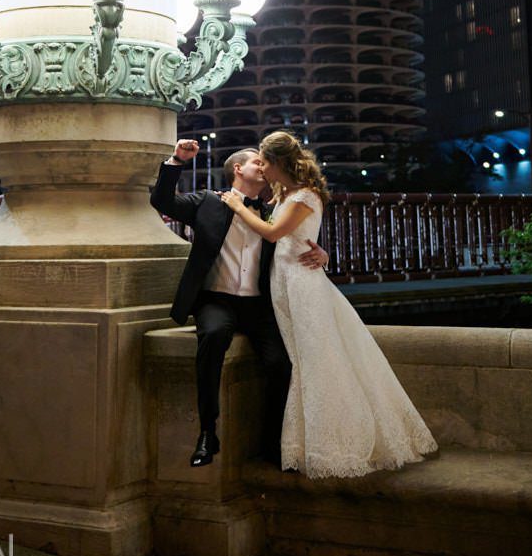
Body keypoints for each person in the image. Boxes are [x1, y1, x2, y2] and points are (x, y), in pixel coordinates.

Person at [221, 131, 438, 479]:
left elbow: (274, 233)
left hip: (301, 284)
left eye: (264, 161)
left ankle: (335, 443)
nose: (261, 167)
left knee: (315, 358)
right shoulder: (285, 193)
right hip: (283, 281)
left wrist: (234, 205)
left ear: (278, 163)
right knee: (300, 357)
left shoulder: (304, 195)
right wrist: (322, 253)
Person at [150, 138, 328, 467]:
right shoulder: (207, 202)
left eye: (265, 163)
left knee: (280, 364)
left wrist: (322, 252)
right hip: (215, 300)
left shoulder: (273, 213)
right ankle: (207, 433)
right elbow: (162, 201)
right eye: (256, 162)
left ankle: (275, 445)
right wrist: (177, 160)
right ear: (238, 169)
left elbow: (302, 240)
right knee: (214, 336)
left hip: (259, 306)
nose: (263, 167)